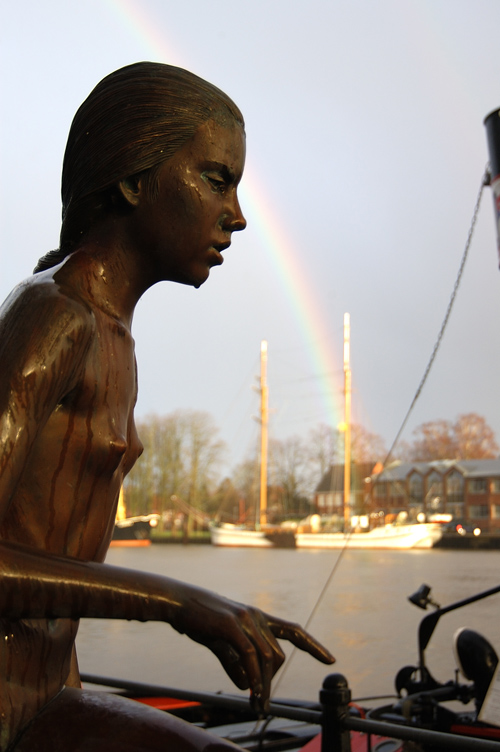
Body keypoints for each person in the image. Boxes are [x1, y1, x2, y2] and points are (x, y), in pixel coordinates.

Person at [0, 62, 334, 751]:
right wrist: (182, 604)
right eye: (217, 179)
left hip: (48, 692)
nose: (237, 216)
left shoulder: (114, 338)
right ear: (132, 179)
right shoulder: (54, 317)